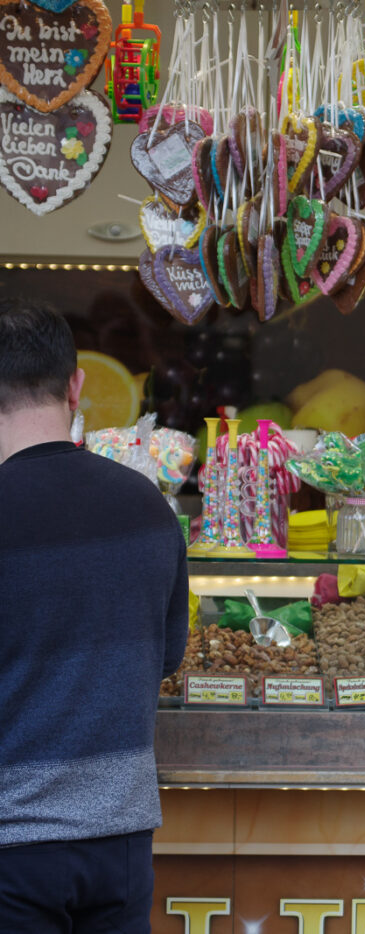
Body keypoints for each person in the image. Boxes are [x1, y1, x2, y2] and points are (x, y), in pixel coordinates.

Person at [0, 299, 188, 931]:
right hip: (122, 846)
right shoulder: (148, 508)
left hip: (9, 848)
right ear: (75, 385)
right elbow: (166, 658)